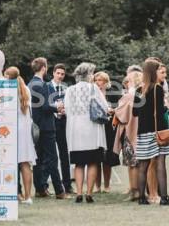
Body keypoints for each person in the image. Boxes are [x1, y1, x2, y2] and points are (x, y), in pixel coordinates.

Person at [63, 62, 107, 204]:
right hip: (92, 129)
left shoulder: (70, 90)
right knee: (93, 162)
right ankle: (89, 193)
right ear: (88, 75)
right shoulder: (94, 88)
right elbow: (104, 107)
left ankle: (79, 193)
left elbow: (66, 109)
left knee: (79, 163)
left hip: (75, 130)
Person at [134, 58, 169, 206]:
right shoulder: (157, 89)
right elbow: (160, 112)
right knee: (160, 163)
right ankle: (164, 197)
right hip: (158, 131)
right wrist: (166, 106)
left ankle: (141, 198)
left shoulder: (139, 90)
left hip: (142, 131)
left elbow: (134, 113)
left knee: (143, 165)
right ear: (153, 71)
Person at [29, 58, 66, 199]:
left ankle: (40, 189)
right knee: (52, 159)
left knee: (38, 159)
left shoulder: (30, 84)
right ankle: (59, 191)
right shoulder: (42, 84)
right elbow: (45, 107)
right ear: (44, 68)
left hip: (35, 126)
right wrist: (57, 107)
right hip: (46, 126)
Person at [4, 66, 37, 203]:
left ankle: (14, 194)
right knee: (25, 163)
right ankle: (28, 196)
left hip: (11, 129)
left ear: (7, 77)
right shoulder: (25, 89)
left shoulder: (7, 90)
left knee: (10, 163)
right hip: (25, 130)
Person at [114, 65, 143, 200]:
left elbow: (121, 114)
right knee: (139, 163)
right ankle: (139, 190)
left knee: (132, 164)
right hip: (141, 132)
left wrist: (114, 111)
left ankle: (134, 190)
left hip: (130, 132)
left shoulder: (129, 96)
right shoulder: (142, 94)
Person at [94, 71, 118, 192]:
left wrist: (113, 110)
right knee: (96, 157)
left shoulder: (112, 94)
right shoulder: (92, 94)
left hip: (109, 127)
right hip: (96, 127)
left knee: (108, 157)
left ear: (106, 82)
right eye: (96, 80)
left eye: (100, 80)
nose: (98, 83)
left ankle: (107, 185)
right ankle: (97, 186)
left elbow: (119, 107)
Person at [50, 63, 73, 194]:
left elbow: (70, 104)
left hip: (63, 123)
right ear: (53, 73)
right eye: (58, 73)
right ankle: (44, 186)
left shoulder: (66, 88)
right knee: (49, 156)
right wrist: (55, 110)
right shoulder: (46, 87)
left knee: (64, 155)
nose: (60, 76)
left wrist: (65, 110)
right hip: (51, 123)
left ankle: (67, 185)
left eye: (62, 74)